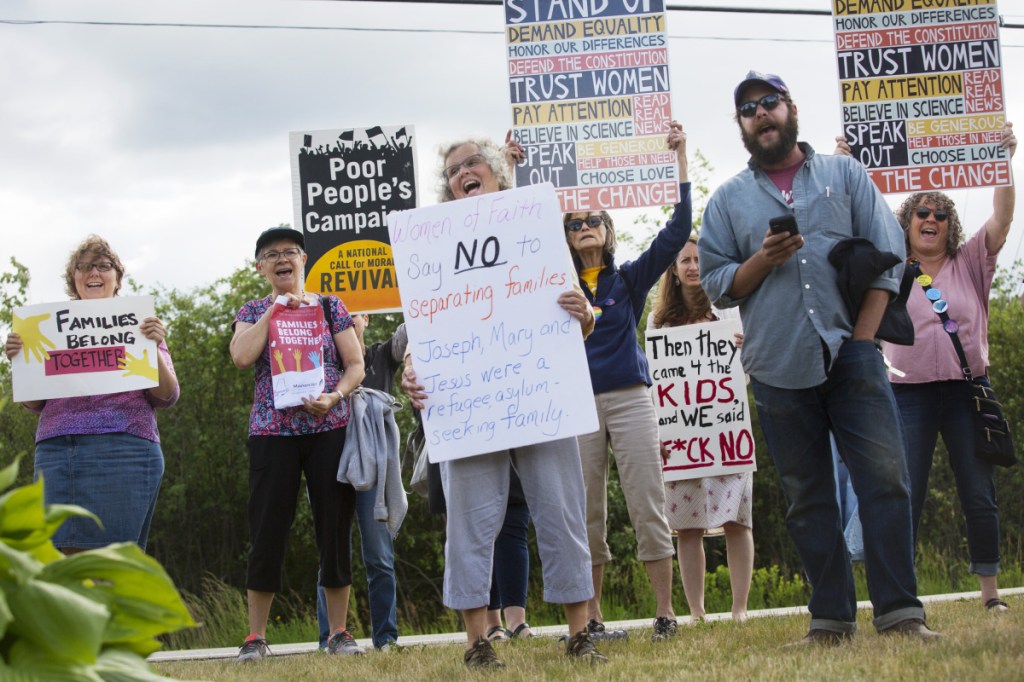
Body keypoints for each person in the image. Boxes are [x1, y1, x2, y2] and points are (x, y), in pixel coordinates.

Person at [698, 71, 939, 645]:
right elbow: (715, 283)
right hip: (778, 367)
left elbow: (888, 260)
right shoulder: (728, 199)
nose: (761, 114)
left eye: (769, 102)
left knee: (885, 483)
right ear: (741, 125)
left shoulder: (844, 174)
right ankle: (830, 620)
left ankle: (900, 613)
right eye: (749, 109)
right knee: (808, 499)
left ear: (790, 108)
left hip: (852, 353)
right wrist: (761, 261)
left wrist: (862, 340)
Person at [402, 137, 604, 669]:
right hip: (469, 406)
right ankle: (477, 643)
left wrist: (584, 315)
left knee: (561, 512)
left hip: (539, 395)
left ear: (494, 172)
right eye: (452, 170)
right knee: (469, 521)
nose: (462, 173)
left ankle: (581, 632)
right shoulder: (431, 245)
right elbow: (421, 331)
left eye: (471, 163)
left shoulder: (536, 229)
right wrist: (410, 368)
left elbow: (572, 321)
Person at [874, 124, 1016, 613]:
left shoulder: (971, 260)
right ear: (907, 221)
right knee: (903, 495)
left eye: (939, 213)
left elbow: (1002, 217)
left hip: (967, 392)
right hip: (907, 393)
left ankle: (991, 594)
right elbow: (861, 215)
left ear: (948, 225)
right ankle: (903, 598)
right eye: (921, 212)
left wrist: (1003, 160)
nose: (930, 217)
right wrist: (850, 162)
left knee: (978, 493)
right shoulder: (891, 264)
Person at [562, 121, 689, 641]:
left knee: (647, 500)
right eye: (575, 223)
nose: (585, 226)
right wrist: (514, 169)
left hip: (632, 399)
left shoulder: (629, 280)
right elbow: (517, 231)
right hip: (577, 406)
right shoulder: (554, 284)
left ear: (609, 231)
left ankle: (665, 614)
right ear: (564, 237)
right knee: (585, 512)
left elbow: (677, 232)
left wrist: (680, 159)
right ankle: (592, 619)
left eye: (594, 220)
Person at [230, 226, 366, 660]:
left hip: (329, 428)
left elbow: (356, 364)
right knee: (267, 530)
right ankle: (255, 638)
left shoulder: (330, 306)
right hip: (273, 432)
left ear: (304, 259)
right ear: (260, 267)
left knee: (335, 528)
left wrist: (335, 396)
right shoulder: (253, 309)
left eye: (290, 251)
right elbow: (241, 356)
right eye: (272, 255)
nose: (282, 259)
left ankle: (339, 633)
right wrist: (274, 311)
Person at [4, 235, 179, 553]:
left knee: (112, 566)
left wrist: (151, 346)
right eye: (83, 267)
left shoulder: (141, 325)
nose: (93, 273)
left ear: (117, 277)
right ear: (74, 279)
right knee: (57, 562)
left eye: (102, 265)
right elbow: (34, 403)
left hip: (125, 449)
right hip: (57, 454)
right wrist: (20, 360)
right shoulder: (46, 328)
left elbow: (167, 396)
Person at [648, 235, 754, 623]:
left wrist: (743, 349)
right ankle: (696, 611)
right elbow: (654, 385)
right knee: (687, 526)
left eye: (699, 260)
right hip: (680, 438)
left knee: (737, 520)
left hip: (726, 431)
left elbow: (746, 375)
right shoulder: (658, 324)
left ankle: (739, 609)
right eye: (685, 261)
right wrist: (659, 434)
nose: (693, 266)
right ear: (673, 271)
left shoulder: (730, 313)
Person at [315, 314, 407, 651]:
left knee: (379, 556)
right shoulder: (323, 356)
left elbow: (410, 331)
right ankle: (329, 638)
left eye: (357, 312)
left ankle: (386, 638)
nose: (350, 318)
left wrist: (418, 292)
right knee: (331, 555)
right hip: (331, 464)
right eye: (343, 312)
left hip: (374, 473)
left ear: (367, 318)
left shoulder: (383, 355)